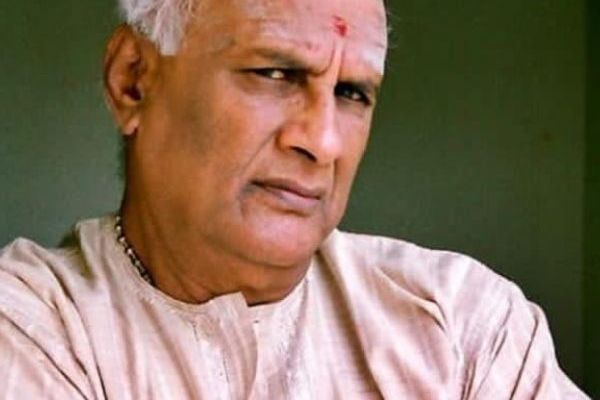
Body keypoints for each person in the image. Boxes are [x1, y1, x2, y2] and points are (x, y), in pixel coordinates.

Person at [0, 0, 589, 398]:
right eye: (275, 74)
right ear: (133, 80)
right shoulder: (34, 329)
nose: (324, 142)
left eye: (352, 93)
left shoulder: (464, 325)